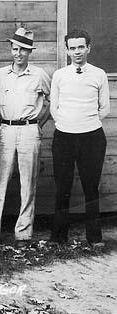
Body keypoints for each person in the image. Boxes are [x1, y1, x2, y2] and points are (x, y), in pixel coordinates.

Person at [0, 28, 51, 248]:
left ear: (30, 52)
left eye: (23, 49)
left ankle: (23, 234)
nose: (18, 53)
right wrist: (0, 120)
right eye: (15, 48)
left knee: (28, 183)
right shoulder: (0, 75)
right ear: (11, 49)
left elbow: (50, 102)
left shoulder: (39, 75)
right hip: (7, 130)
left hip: (29, 129)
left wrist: (39, 124)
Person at [49, 29, 110, 247]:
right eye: (72, 48)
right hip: (64, 137)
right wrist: (68, 124)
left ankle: (94, 237)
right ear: (67, 51)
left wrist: (86, 123)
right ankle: (58, 237)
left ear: (88, 48)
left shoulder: (99, 74)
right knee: (62, 187)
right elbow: (53, 109)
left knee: (91, 187)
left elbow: (105, 109)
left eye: (81, 47)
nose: (77, 52)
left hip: (91, 138)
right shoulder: (59, 75)